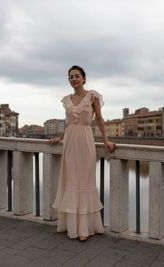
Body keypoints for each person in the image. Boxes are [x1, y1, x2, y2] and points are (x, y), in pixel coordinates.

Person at [48, 65, 116, 242]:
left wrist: (106, 140)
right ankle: (70, 225)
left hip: (86, 143)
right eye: (70, 77)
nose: (74, 79)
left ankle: (84, 228)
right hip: (70, 143)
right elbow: (68, 123)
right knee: (71, 180)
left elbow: (99, 119)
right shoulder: (67, 99)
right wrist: (60, 137)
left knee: (85, 182)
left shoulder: (92, 96)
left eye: (77, 76)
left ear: (84, 78)